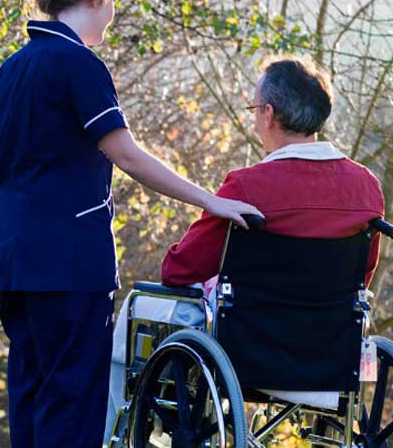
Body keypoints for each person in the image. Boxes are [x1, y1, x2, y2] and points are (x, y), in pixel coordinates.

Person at [0, 0, 262, 448]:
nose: (113, 15)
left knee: (30, 392)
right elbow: (127, 154)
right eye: (113, 2)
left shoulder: (13, 67)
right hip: (69, 261)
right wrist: (210, 200)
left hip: (12, 257)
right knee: (72, 400)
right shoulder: (79, 64)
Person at [161, 57, 384, 288]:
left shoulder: (244, 187)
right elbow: (358, 282)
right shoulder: (366, 186)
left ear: (268, 114)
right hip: (334, 313)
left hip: (251, 313)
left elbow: (178, 271)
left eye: (254, 110)